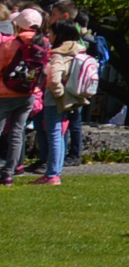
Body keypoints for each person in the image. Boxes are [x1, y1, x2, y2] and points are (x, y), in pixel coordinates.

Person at [40, 24, 96, 183]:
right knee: (62, 134)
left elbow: (54, 79)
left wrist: (59, 95)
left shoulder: (59, 54)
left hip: (56, 101)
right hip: (75, 97)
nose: (49, 35)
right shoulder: (80, 51)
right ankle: (56, 171)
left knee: (54, 134)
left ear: (59, 35)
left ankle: (52, 174)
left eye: (51, 33)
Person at [0, 10, 44, 184]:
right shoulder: (44, 43)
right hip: (29, 94)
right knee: (17, 132)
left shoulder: (10, 44)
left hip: (5, 93)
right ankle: (9, 172)